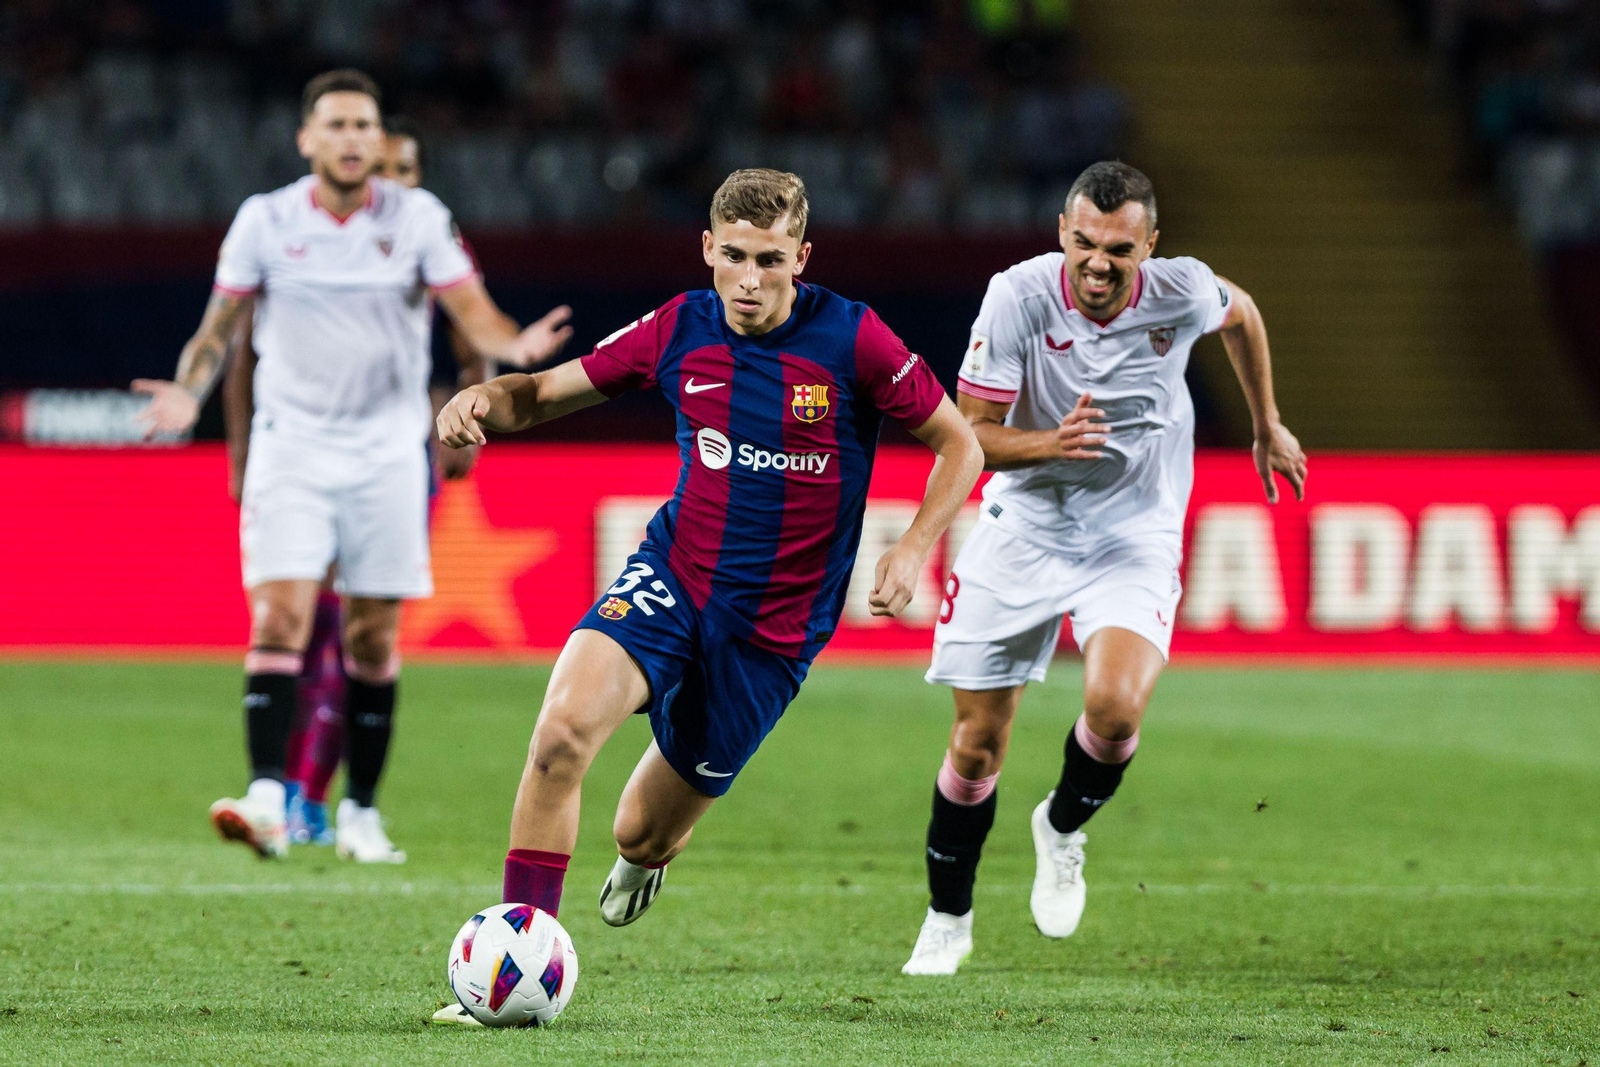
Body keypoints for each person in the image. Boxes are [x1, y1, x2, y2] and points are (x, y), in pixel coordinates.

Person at [430, 169, 983, 1024]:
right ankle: (514, 964)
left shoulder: (853, 338)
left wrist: (912, 545)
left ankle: (648, 857)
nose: (750, 280)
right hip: (672, 577)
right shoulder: (678, 327)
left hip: (772, 632)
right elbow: (542, 393)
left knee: (640, 831)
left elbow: (960, 445)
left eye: (770, 260)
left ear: (802, 256)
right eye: (733, 256)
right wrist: (480, 400)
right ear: (707, 249)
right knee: (560, 734)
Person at [134, 69, 574, 862]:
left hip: (386, 452)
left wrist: (517, 348)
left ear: (379, 139)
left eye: (363, 125)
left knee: (372, 639)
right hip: (290, 445)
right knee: (279, 618)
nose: (350, 138)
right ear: (307, 138)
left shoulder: (417, 218)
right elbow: (218, 331)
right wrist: (187, 393)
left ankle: (361, 811)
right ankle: (268, 793)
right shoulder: (264, 221)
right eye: (334, 124)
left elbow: (472, 312)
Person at [901, 161, 1308, 975]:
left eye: (1118, 250)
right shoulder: (1016, 296)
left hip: (1133, 531)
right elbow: (969, 434)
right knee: (978, 743)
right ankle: (949, 917)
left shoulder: (1182, 290)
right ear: (1062, 232)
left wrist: (1266, 422)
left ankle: (1061, 825)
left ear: (1149, 247)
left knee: (1116, 708)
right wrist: (1051, 442)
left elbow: (1244, 313)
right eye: (1083, 242)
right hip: (1026, 526)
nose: (1097, 263)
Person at [218, 116, 551, 848]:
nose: (389, 181)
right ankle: (292, 793)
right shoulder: (304, 235)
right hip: (301, 451)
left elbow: (473, 338)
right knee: (301, 629)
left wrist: (475, 408)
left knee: (357, 636)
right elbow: (242, 351)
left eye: (404, 170)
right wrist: (242, 455)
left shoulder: (428, 237)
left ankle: (336, 800)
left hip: (391, 456)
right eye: (383, 166)